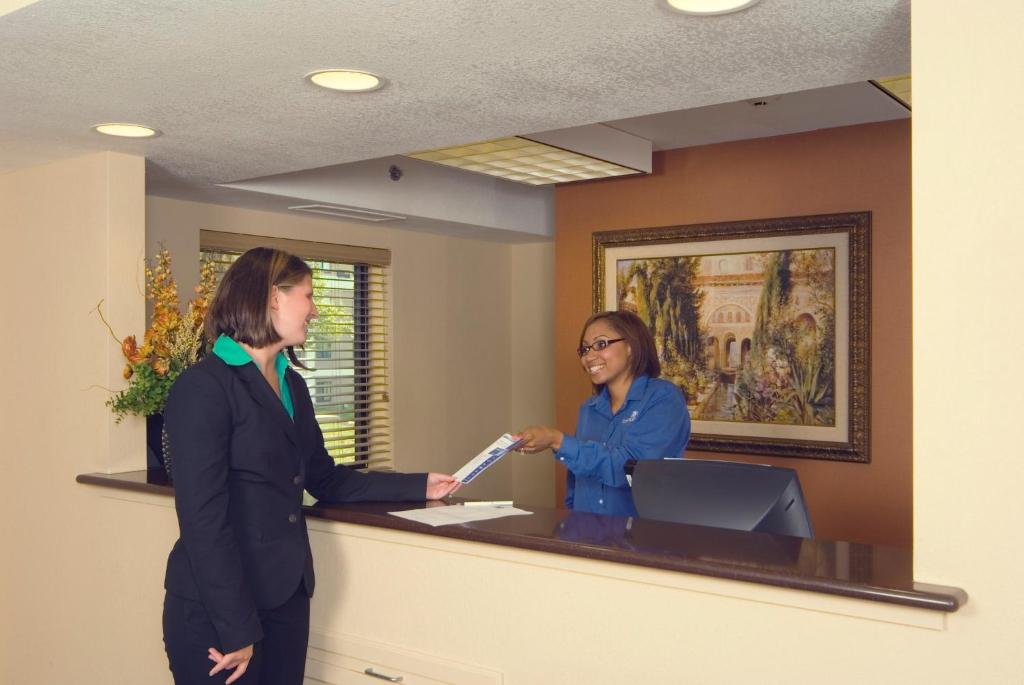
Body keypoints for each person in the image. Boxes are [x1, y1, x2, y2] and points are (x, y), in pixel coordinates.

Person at [161, 247, 460, 685]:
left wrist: (419, 487)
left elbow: (324, 478)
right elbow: (202, 518)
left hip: (284, 599)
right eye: (308, 295)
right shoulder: (203, 387)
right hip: (217, 613)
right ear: (272, 298)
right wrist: (237, 628)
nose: (315, 310)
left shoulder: (291, 384)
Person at [514, 310, 690, 516]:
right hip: (586, 535)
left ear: (631, 346)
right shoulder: (589, 409)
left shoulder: (663, 399)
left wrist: (557, 441)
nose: (589, 356)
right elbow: (577, 479)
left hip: (638, 540)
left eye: (601, 344)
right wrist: (571, 524)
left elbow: (632, 470)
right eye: (585, 349)